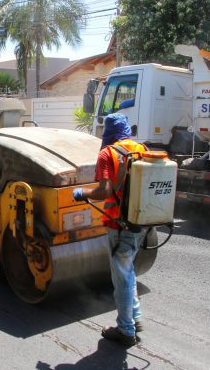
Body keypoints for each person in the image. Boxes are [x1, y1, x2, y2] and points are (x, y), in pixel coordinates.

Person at [72, 113, 147, 347]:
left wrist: (83, 193)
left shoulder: (108, 154)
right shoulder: (142, 148)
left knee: (121, 277)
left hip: (119, 223)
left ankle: (125, 331)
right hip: (142, 221)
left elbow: (104, 190)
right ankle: (135, 317)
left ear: (108, 133)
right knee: (128, 269)